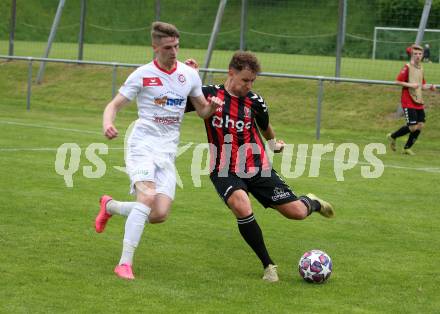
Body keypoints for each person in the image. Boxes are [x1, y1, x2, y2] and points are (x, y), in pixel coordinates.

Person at [185, 51, 335, 282]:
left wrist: (274, 144)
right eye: (245, 80)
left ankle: (312, 202)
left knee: (296, 213)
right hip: (224, 169)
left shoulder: (255, 101)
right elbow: (173, 99)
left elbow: (265, 127)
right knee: (241, 205)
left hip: (257, 167)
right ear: (231, 73)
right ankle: (269, 266)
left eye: (253, 81)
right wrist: (186, 76)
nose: (249, 85)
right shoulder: (208, 95)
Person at [94, 21, 222, 280]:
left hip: (167, 150)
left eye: (176, 46)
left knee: (159, 213)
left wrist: (213, 107)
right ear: (155, 47)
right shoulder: (142, 74)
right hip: (141, 143)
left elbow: (202, 112)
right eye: (167, 47)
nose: (174, 51)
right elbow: (114, 105)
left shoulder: (189, 74)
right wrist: (108, 123)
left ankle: (111, 207)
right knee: (147, 197)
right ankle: (124, 264)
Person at [387, 44, 436, 155]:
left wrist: (430, 87)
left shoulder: (421, 68)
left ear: (423, 55)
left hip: (418, 100)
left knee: (421, 125)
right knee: (413, 127)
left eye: (420, 54)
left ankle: (407, 148)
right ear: (412, 55)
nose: (418, 56)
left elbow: (422, 85)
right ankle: (392, 136)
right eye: (415, 54)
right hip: (408, 100)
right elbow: (398, 81)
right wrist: (410, 85)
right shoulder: (407, 67)